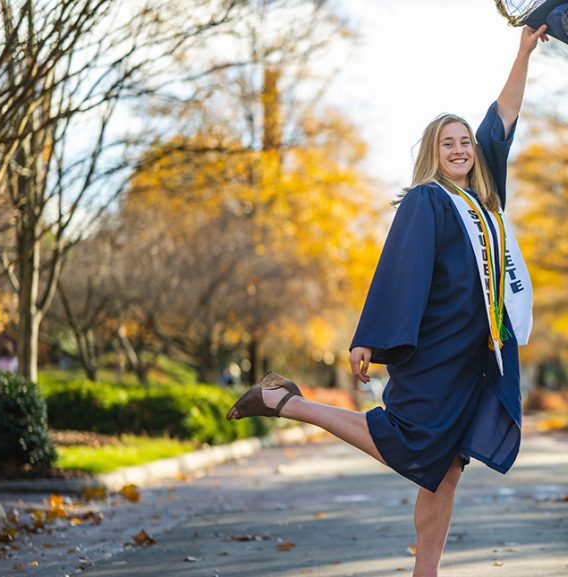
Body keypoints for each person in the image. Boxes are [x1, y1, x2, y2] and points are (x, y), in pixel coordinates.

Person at [226, 25, 548, 577]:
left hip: (480, 356)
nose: (460, 148)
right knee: (408, 444)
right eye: (448, 142)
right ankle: (288, 404)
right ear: (433, 153)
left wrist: (521, 54)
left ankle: (427, 572)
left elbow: (504, 117)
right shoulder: (428, 201)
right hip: (439, 351)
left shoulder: (486, 198)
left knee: (445, 470)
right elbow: (399, 270)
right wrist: (369, 337)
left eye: (465, 141)